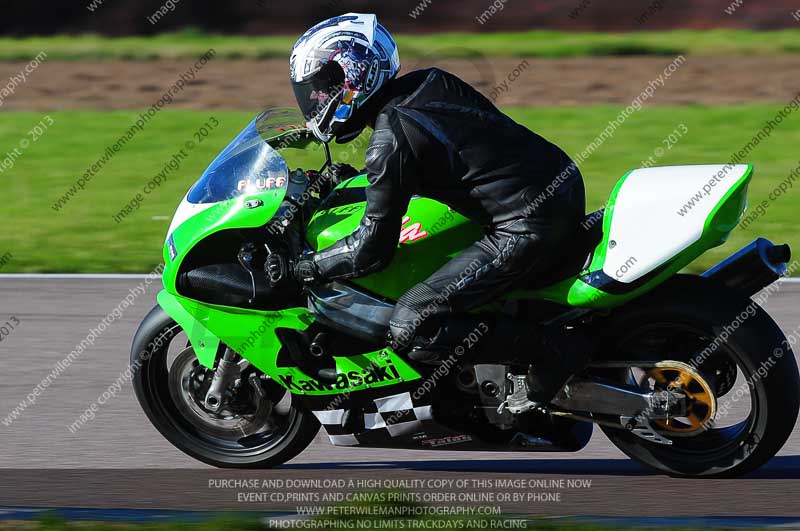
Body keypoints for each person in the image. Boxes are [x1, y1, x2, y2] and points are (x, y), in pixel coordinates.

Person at [267, 13, 589, 403]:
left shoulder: (391, 141)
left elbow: (371, 251)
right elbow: (448, 157)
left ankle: (551, 351)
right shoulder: (430, 82)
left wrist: (307, 268)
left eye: (322, 88)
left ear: (353, 75)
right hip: (560, 185)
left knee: (412, 323)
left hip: (526, 225)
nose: (316, 100)